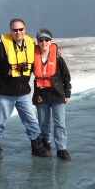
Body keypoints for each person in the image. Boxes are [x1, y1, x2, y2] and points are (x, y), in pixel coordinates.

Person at [0, 18, 51, 160]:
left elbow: (44, 56)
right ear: (10, 31)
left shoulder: (31, 46)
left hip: (23, 92)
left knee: (31, 120)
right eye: (15, 30)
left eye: (21, 29)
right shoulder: (0, 48)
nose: (18, 32)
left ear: (25, 30)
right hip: (4, 93)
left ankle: (36, 146)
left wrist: (58, 55)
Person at [32, 28, 72, 161]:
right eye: (41, 40)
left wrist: (67, 92)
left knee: (59, 122)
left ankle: (61, 148)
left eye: (46, 40)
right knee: (43, 122)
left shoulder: (58, 56)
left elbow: (66, 75)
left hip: (57, 93)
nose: (44, 42)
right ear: (38, 42)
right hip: (41, 93)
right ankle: (46, 144)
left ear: (51, 41)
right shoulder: (33, 56)